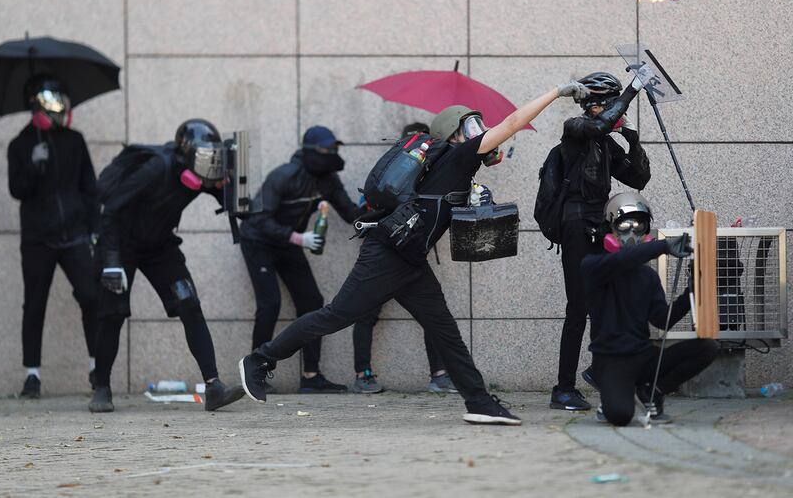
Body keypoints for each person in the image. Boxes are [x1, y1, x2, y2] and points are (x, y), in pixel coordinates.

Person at [239, 81, 590, 425]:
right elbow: (512, 123)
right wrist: (557, 92)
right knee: (334, 316)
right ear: (454, 135)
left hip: (410, 261)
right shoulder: (458, 157)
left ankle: (479, 402)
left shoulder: (454, 167)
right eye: (471, 126)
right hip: (386, 256)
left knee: (445, 330)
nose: (479, 131)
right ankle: (259, 360)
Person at [88, 119, 245, 413]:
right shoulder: (155, 169)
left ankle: (214, 387)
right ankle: (101, 387)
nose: (209, 164)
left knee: (189, 304)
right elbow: (111, 210)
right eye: (204, 157)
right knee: (112, 314)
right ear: (186, 154)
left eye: (214, 157)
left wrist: (233, 185)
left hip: (160, 247)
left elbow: (227, 197)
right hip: (121, 245)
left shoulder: (198, 175)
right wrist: (110, 263)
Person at [550, 71, 653, 411]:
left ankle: (599, 370)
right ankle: (563, 389)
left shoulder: (606, 141)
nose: (614, 111)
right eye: (610, 105)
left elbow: (637, 177)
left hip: (599, 225)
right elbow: (596, 127)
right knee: (578, 308)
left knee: (608, 302)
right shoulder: (576, 129)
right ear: (596, 105)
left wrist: (633, 141)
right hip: (576, 225)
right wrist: (634, 89)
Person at [240, 125, 367, 394]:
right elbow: (258, 219)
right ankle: (255, 372)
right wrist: (299, 239)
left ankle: (311, 376)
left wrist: (379, 209)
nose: (331, 155)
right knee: (270, 303)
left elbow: (350, 213)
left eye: (334, 149)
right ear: (310, 152)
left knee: (311, 301)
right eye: (326, 150)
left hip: (288, 242)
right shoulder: (284, 175)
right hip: (259, 241)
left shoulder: (328, 180)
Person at [579, 192, 718, 425]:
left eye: (639, 226)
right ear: (609, 229)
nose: (632, 233)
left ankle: (653, 391)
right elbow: (621, 262)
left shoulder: (647, 276)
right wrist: (663, 246)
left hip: (643, 356)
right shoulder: (594, 266)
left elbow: (662, 320)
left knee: (707, 347)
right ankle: (609, 394)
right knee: (621, 416)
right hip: (611, 359)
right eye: (624, 225)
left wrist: (691, 291)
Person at [7, 74, 100, 399]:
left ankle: (96, 367)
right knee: (34, 304)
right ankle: (32, 375)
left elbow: (90, 188)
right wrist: (33, 165)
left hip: (74, 235)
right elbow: (16, 189)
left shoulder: (74, 140)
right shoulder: (20, 144)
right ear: (36, 105)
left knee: (91, 296)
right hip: (37, 238)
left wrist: (94, 230)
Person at [350, 122, 458, 395]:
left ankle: (440, 374)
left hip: (410, 256)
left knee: (432, 316)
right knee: (363, 312)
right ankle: (363, 375)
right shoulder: (388, 174)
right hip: (385, 255)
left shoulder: (428, 173)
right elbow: (364, 210)